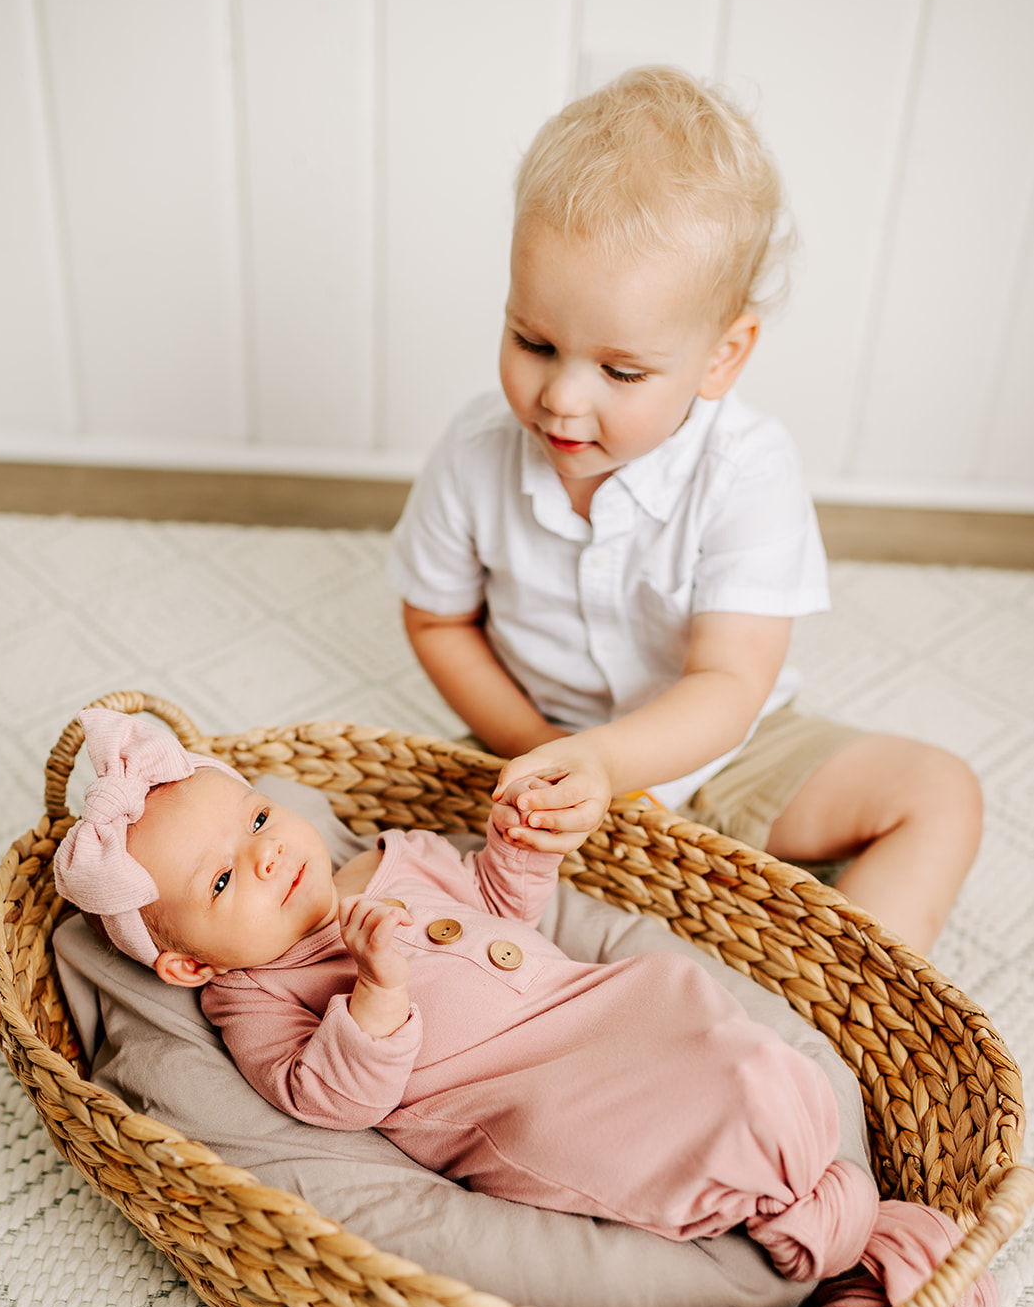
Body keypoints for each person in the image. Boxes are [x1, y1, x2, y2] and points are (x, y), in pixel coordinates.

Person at [54, 707, 996, 1307]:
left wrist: (517, 852)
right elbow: (323, 1100)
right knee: (630, 1142)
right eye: (221, 880)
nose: (264, 859)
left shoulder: (397, 854)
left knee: (707, 1026)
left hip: (599, 1013)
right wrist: (374, 999)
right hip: (518, 1098)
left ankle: (855, 1222)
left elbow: (509, 912)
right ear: (187, 964)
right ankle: (829, 1251)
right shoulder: (251, 996)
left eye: (258, 822)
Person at [387, 66, 982, 954]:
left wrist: (610, 766)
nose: (562, 399)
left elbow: (729, 683)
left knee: (939, 793)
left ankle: (852, 989)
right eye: (532, 342)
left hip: (727, 752)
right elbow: (437, 619)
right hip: (528, 742)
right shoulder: (475, 450)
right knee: (393, 853)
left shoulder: (747, 471)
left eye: (620, 371)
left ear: (722, 356)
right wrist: (547, 752)